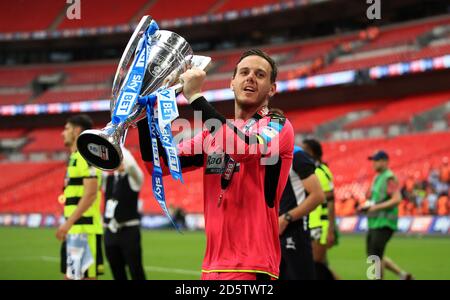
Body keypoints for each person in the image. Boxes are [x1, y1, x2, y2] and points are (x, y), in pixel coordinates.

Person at [138, 49, 294, 280]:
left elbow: (245, 149)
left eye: (260, 75)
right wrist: (144, 116)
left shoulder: (278, 125)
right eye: (244, 72)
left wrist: (195, 98)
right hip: (212, 268)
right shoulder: (210, 136)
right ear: (232, 82)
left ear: (272, 89)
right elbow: (158, 165)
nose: (250, 77)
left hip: (253, 267)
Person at [56, 114, 104, 280]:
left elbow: (90, 194)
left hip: (84, 231)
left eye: (67, 129)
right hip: (75, 230)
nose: (63, 133)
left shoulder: (86, 156)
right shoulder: (75, 158)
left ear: (77, 131)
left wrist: (67, 224)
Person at [358, 150, 413, 280]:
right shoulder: (378, 177)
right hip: (375, 221)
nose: (373, 163)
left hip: (385, 222)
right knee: (374, 255)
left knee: (375, 257)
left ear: (384, 161)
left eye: (376, 160)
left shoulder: (389, 177)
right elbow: (377, 198)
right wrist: (367, 205)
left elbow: (397, 199)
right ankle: (403, 275)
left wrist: (375, 207)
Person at [278, 144, 325, 280]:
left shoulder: (297, 156)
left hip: (295, 229)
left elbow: (318, 196)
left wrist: (286, 218)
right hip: (274, 231)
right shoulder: (265, 155)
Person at [103, 147, 146, 280]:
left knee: (135, 270)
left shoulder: (134, 179)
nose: (121, 162)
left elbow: (132, 166)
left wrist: (118, 145)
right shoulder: (107, 180)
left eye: (122, 159)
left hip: (129, 231)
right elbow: (98, 165)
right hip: (110, 231)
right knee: (117, 272)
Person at [302, 138, 339, 280]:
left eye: (305, 149)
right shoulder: (315, 170)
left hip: (319, 225)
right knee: (320, 266)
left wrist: (330, 229)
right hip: (313, 223)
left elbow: (330, 201)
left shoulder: (320, 172)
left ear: (312, 152)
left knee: (315, 265)